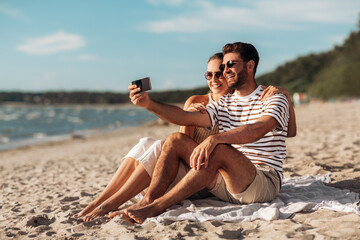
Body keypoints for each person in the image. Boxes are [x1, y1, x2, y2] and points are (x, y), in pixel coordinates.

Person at [74, 51, 296, 222]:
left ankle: (152, 206)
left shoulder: (271, 97)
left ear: (249, 67)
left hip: (258, 178)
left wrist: (215, 138)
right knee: (170, 140)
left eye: (226, 69)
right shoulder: (223, 104)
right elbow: (181, 117)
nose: (219, 76)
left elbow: (263, 130)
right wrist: (149, 104)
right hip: (220, 176)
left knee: (209, 148)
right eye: (211, 73)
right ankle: (143, 200)